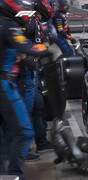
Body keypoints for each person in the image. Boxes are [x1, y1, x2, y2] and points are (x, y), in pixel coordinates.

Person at [0, 0, 49, 178]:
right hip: (5, 84)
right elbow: (28, 47)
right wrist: (45, 50)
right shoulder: (9, 26)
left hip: (9, 82)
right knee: (24, 131)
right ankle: (13, 174)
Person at [22, 0, 54, 157]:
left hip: (33, 71)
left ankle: (41, 142)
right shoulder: (26, 20)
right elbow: (22, 46)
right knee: (25, 110)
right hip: (24, 72)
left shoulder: (36, 22)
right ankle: (22, 149)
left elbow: (38, 44)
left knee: (38, 105)